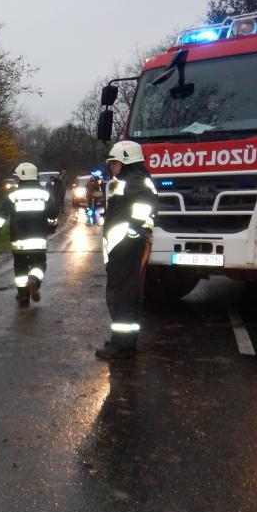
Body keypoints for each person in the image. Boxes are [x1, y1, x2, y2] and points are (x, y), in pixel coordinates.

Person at [96, 140, 158, 359]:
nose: (111, 167)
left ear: (127, 160)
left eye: (114, 163)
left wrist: (134, 230)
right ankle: (125, 342)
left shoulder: (136, 182)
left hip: (128, 246)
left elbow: (145, 207)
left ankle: (121, 345)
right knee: (125, 294)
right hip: (123, 248)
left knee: (123, 295)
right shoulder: (129, 181)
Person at [0, 162, 59, 307]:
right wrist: (53, 226)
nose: (16, 180)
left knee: (20, 266)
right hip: (38, 240)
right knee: (39, 263)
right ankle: (34, 280)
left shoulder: (13, 195)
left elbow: (1, 214)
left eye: (16, 177)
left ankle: (23, 296)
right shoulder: (45, 195)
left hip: (18, 240)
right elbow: (53, 215)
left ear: (23, 176)